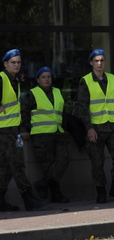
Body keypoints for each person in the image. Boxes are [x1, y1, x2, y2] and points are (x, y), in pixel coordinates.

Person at [77, 48, 114, 204]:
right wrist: (89, 128)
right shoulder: (85, 81)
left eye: (102, 60)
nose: (100, 63)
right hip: (96, 128)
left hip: (113, 125)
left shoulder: (112, 79)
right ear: (91, 63)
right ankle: (101, 191)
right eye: (97, 61)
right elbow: (82, 107)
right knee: (97, 161)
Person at [0, 49, 46, 211]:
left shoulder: (15, 80)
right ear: (5, 64)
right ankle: (28, 198)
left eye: (18, 62)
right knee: (17, 164)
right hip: (4, 131)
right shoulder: (2, 79)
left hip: (12, 130)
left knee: (5, 167)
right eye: (13, 62)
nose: (17, 65)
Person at [20, 67, 70, 203]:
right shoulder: (32, 93)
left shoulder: (58, 92)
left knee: (64, 159)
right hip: (41, 134)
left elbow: (62, 112)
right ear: (38, 80)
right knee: (48, 164)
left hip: (58, 132)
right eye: (43, 77)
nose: (47, 79)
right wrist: (24, 129)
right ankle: (56, 194)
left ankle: (43, 183)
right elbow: (24, 112)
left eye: (49, 76)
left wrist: (64, 128)